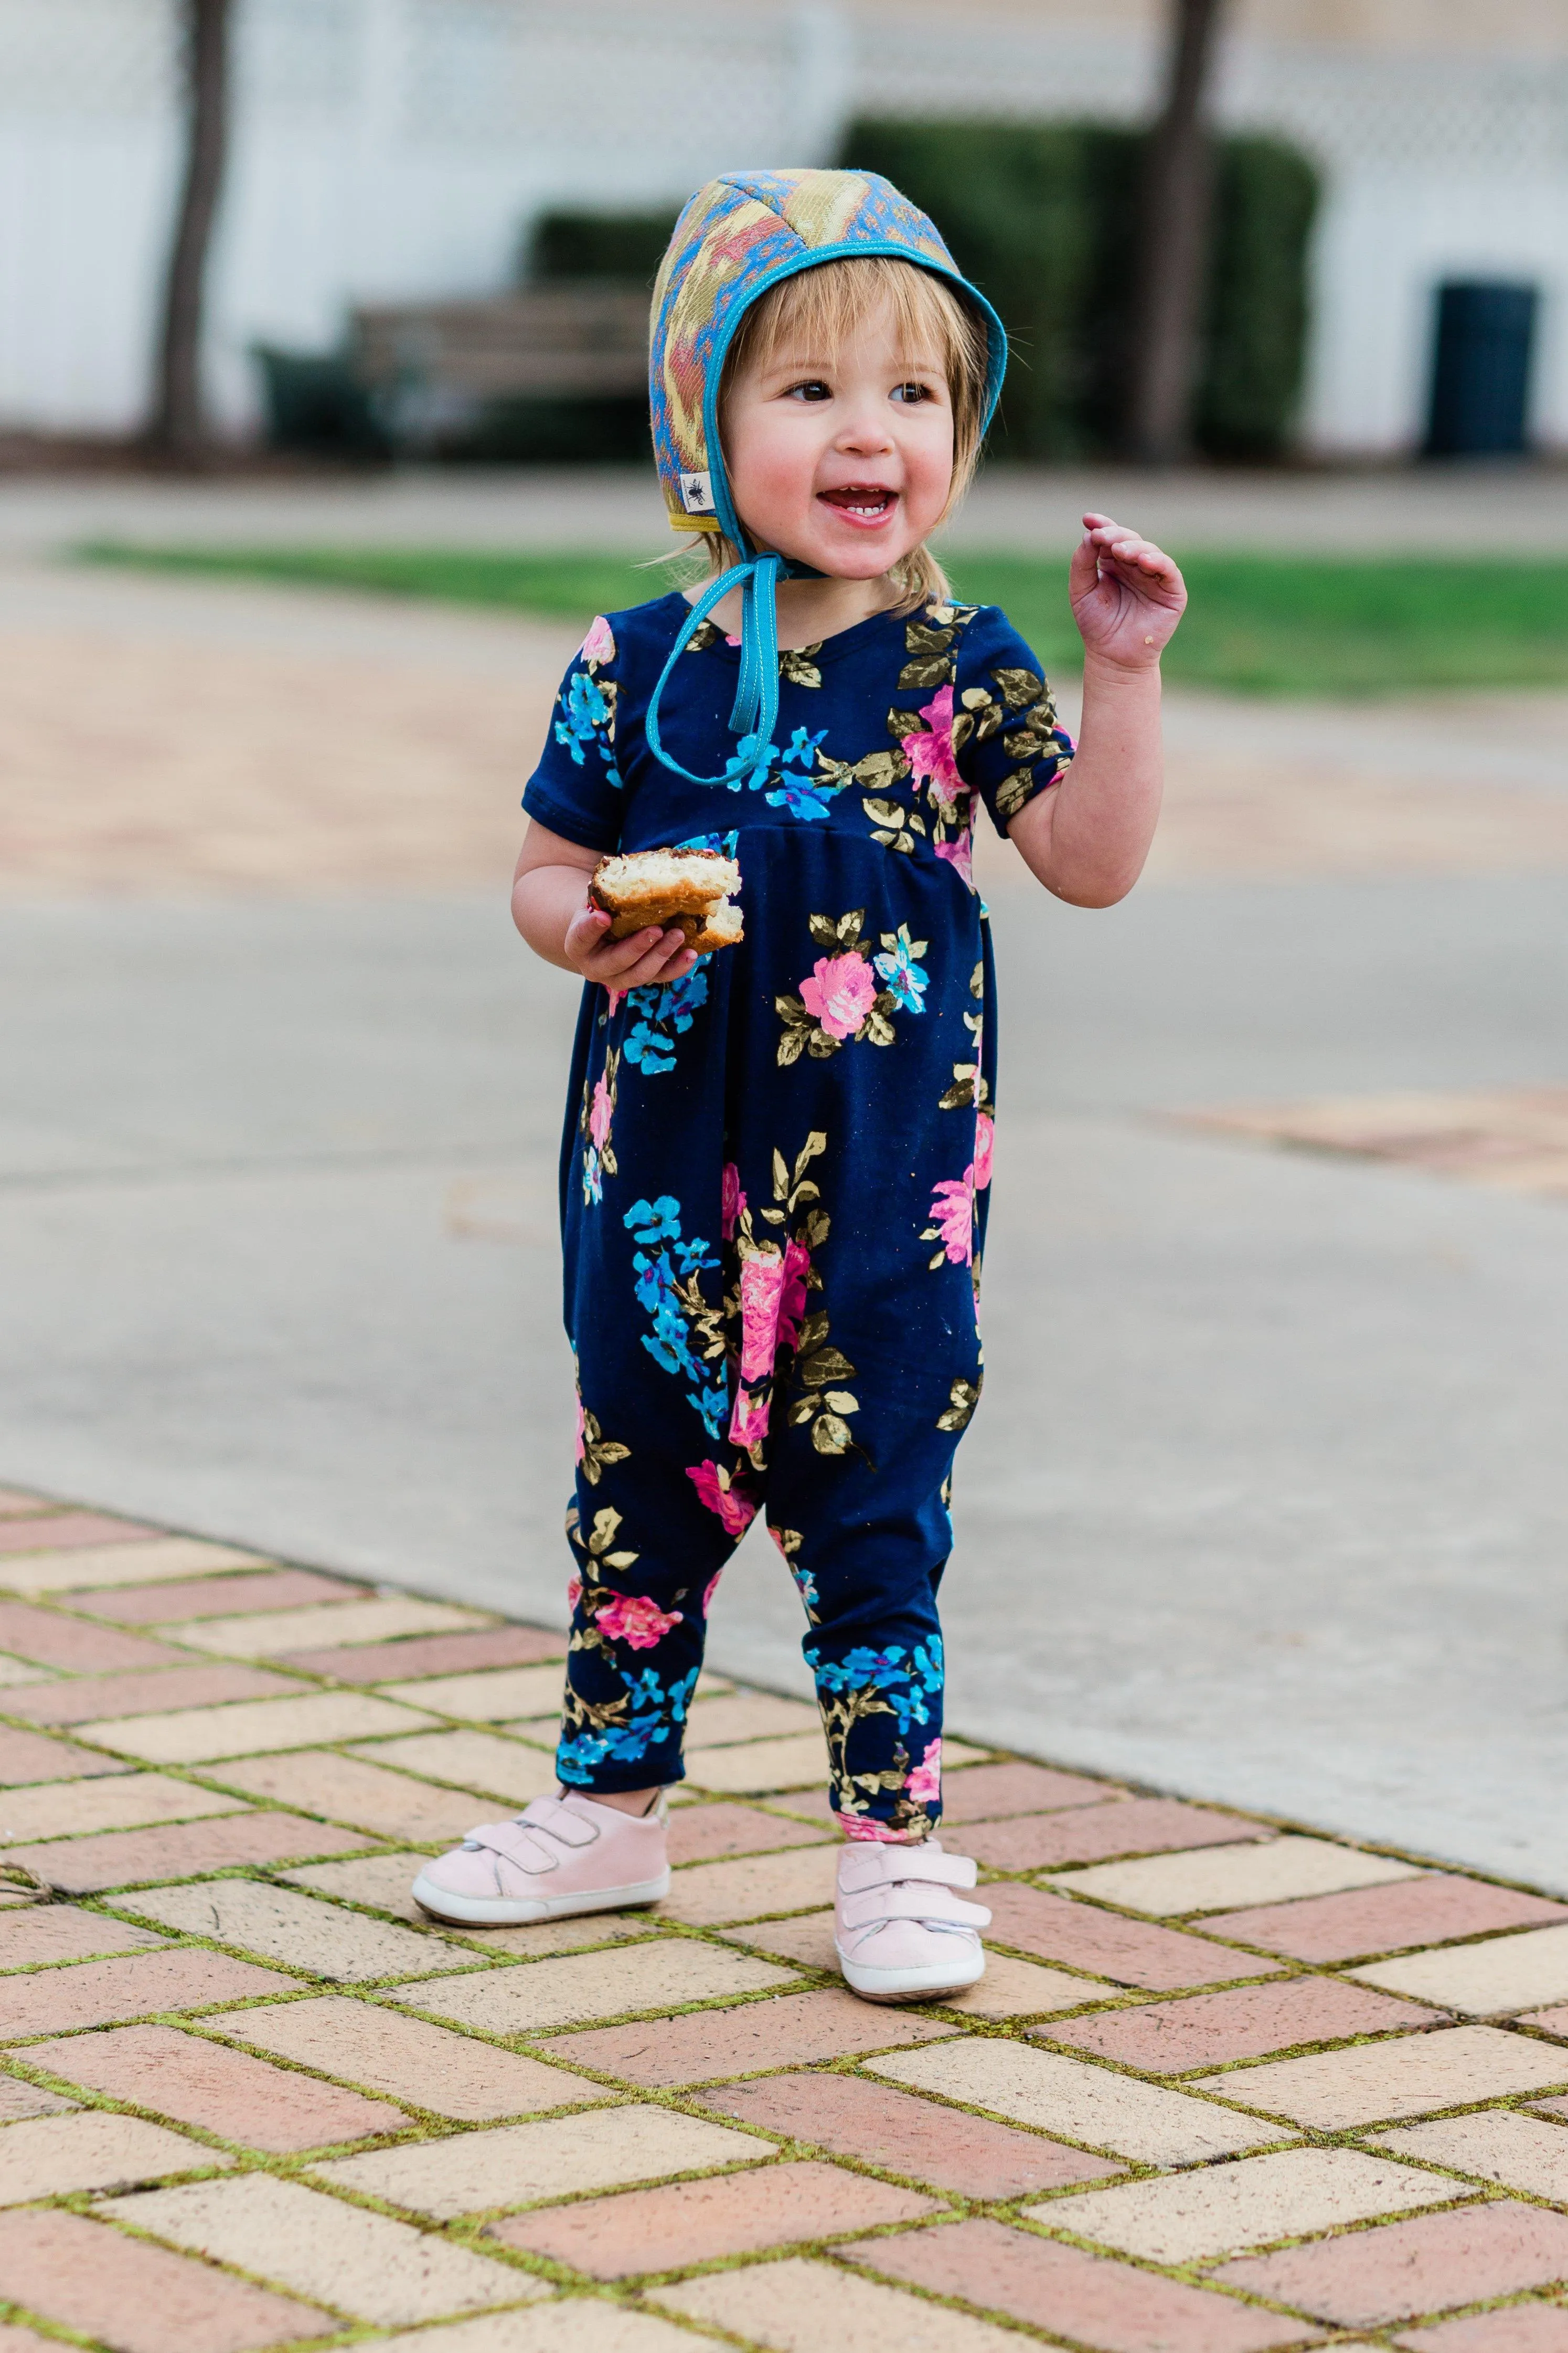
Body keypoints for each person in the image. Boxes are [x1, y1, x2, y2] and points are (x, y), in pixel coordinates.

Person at [413, 167, 1186, 2002]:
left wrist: (1123, 672)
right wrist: (578, 925)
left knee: (874, 1501)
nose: (868, 432)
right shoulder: (637, 667)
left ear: (956, 440)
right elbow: (538, 870)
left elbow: (1086, 858)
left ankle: (892, 1846)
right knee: (642, 1482)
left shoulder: (960, 668)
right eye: (811, 390)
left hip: (884, 1188)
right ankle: (609, 1807)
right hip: (662, 1176)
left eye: (912, 396)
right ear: (709, 430)